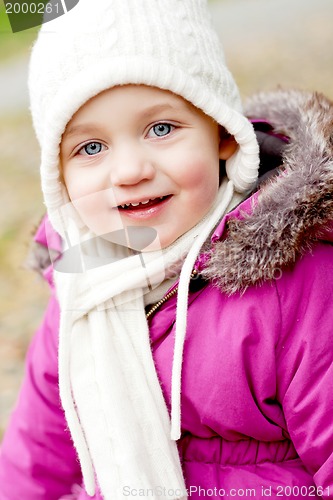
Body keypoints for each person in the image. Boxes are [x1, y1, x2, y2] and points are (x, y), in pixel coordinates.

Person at [0, 0, 333, 498]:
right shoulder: (81, 288)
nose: (130, 170)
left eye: (161, 129)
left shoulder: (298, 283)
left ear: (222, 133)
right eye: (90, 148)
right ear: (60, 178)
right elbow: (36, 453)